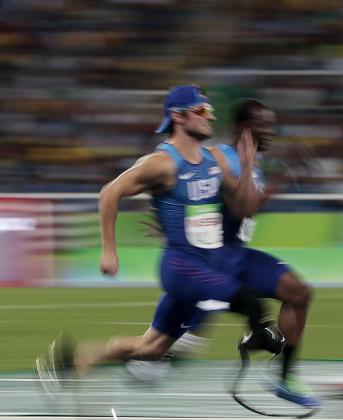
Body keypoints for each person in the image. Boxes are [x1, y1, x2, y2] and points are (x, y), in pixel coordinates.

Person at [36, 85, 284, 396]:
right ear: (178, 117)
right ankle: (261, 333)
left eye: (211, 111)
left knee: (151, 348)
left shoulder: (212, 160)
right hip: (182, 268)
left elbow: (245, 208)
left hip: (206, 268)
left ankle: (73, 361)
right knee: (250, 301)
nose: (211, 117)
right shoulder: (162, 163)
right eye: (203, 111)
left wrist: (247, 166)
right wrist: (109, 251)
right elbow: (109, 193)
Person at [126, 99, 319, 408]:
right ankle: (142, 356)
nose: (270, 131)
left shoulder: (251, 161)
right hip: (212, 262)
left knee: (299, 292)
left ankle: (284, 379)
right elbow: (237, 205)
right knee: (174, 344)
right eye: (264, 125)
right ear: (244, 128)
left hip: (237, 256)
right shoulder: (223, 158)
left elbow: (243, 208)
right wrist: (168, 225)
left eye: (271, 124)